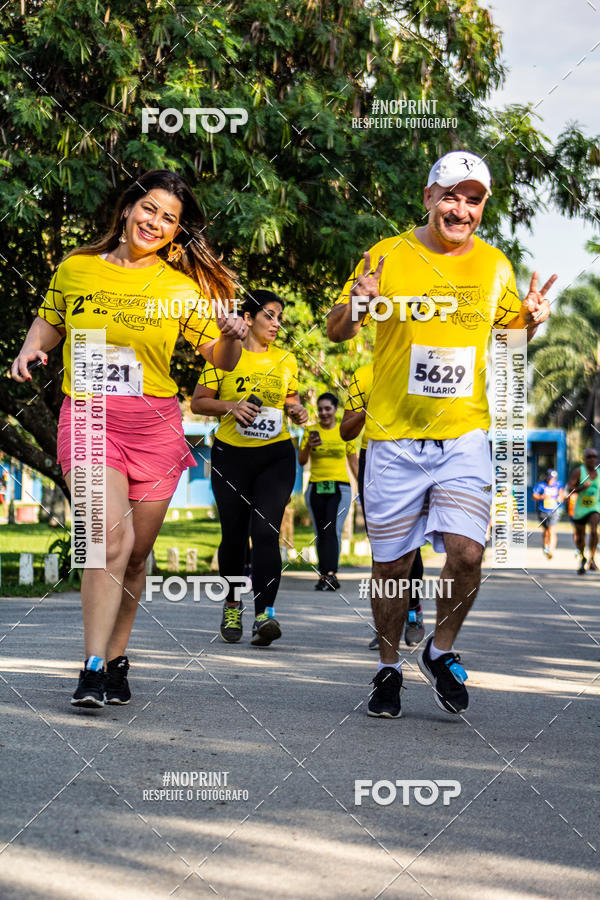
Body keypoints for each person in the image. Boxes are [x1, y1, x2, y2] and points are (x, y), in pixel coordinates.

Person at [327, 150, 556, 718]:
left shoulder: (494, 265)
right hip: (394, 437)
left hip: (463, 436)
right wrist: (357, 305)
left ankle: (440, 649)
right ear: (428, 198)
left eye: (473, 199)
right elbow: (335, 329)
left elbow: (510, 329)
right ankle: (386, 668)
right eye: (450, 195)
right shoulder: (388, 254)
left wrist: (530, 315)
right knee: (391, 566)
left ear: (482, 207)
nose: (461, 208)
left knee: (468, 553)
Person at [11, 170, 246, 708]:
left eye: (170, 219)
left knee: (136, 557)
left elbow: (220, 359)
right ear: (126, 208)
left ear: (176, 232)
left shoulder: (181, 289)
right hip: (90, 416)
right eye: (150, 209)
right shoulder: (77, 269)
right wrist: (29, 348)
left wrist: (233, 339)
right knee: (105, 540)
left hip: (155, 427)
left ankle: (117, 656)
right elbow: (49, 322)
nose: (156, 223)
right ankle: (91, 666)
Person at [191, 290, 307, 645]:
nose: (276, 324)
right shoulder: (222, 357)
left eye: (279, 317)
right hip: (232, 457)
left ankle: (265, 615)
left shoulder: (286, 360)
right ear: (249, 317)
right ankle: (231, 605)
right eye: (269, 315)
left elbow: (291, 399)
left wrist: (297, 410)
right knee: (235, 535)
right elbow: (198, 402)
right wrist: (231, 406)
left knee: (267, 531)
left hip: (276, 456)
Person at [340, 361, 425, 649]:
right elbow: (346, 431)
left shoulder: (419, 366)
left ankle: (413, 612)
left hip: (414, 458)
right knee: (382, 545)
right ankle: (386, 624)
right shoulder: (363, 375)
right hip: (374, 459)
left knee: (411, 543)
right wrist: (368, 411)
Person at [298, 393, 358, 590]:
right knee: (320, 532)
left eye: (328, 408)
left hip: (340, 487)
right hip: (316, 486)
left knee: (332, 531)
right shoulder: (311, 431)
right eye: (320, 409)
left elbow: (353, 462)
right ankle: (324, 574)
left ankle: (331, 573)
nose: (324, 413)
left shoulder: (344, 431)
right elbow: (301, 460)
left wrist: (366, 488)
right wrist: (308, 445)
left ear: (335, 409)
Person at [567, 448, 600, 574]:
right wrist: (581, 487)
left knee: (593, 529)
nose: (592, 459)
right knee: (580, 536)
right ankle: (582, 557)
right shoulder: (579, 472)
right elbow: (570, 489)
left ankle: (592, 558)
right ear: (584, 458)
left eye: (594, 456)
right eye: (589, 456)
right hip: (580, 508)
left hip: (595, 507)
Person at [532, 469, 564, 559]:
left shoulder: (558, 484)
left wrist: (560, 498)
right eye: (550, 478)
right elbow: (534, 496)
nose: (551, 480)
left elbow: (561, 494)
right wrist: (542, 496)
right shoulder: (541, 485)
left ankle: (551, 550)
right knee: (546, 531)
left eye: (553, 478)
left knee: (552, 529)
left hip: (554, 510)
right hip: (542, 510)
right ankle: (545, 546)